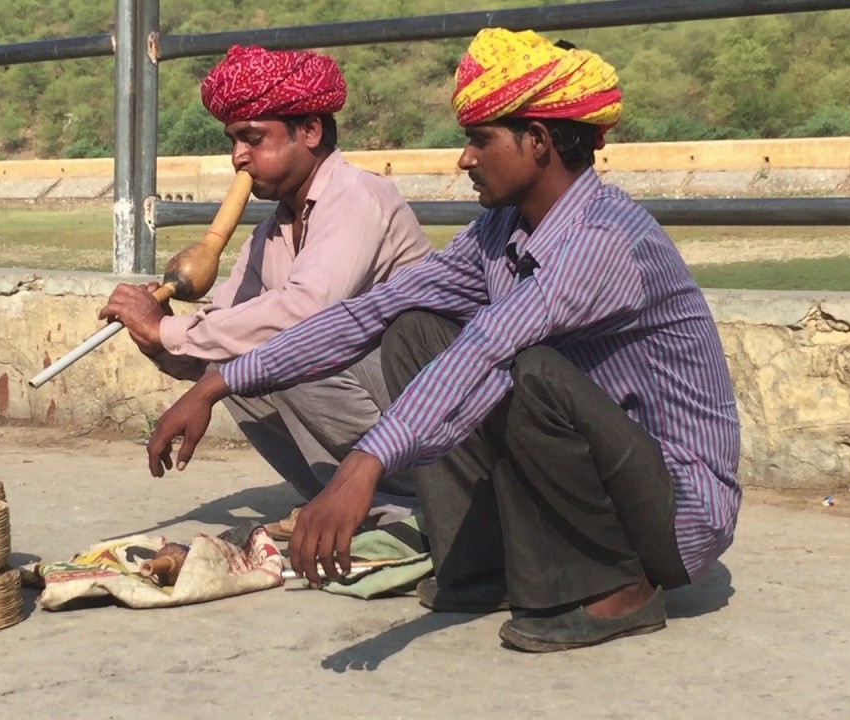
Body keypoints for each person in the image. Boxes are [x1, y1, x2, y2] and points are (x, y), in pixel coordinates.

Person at [144, 29, 742, 653]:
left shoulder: (603, 241)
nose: (464, 159)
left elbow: (488, 348)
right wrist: (219, 381)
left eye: (479, 141)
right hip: (605, 476)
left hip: (675, 516)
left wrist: (365, 463)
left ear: (537, 142)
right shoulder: (500, 232)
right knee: (413, 329)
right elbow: (369, 314)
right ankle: (481, 569)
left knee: (524, 365)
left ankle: (622, 591)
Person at [97, 45, 434, 536]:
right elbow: (213, 342)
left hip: (426, 406)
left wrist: (170, 330)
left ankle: (412, 503)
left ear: (311, 131)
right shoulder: (270, 233)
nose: (238, 157)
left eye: (253, 139)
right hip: (376, 406)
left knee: (288, 351)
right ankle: (350, 502)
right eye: (233, 141)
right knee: (234, 359)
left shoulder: (357, 196)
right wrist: (152, 333)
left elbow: (308, 315)